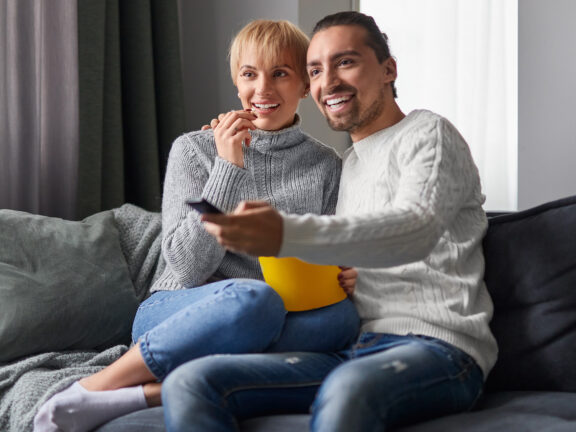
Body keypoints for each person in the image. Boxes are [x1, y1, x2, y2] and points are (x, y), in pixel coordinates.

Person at [161, 11, 498, 432]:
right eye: (316, 69)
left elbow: (415, 229)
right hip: (349, 347)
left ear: (389, 69)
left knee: (348, 389)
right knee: (193, 383)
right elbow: (346, 255)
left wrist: (285, 233)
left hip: (438, 349)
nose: (328, 81)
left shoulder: (428, 133)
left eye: (346, 62)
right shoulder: (345, 166)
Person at [33, 20, 361, 432]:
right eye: (249, 74)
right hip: (184, 311)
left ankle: (153, 391)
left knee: (341, 321)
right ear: (236, 82)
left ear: (304, 86)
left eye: (280, 73)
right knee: (254, 300)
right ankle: (93, 388)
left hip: (280, 316)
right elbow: (187, 266)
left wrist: (346, 273)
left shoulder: (326, 165)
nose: (263, 89)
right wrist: (227, 167)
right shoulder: (194, 149)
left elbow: (326, 254)